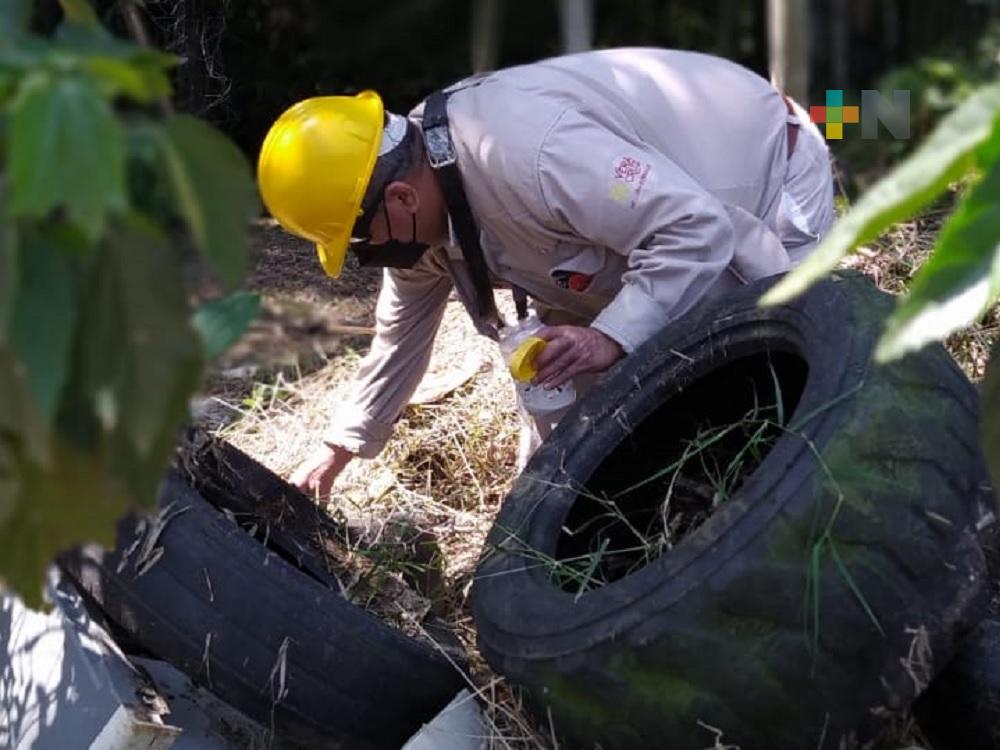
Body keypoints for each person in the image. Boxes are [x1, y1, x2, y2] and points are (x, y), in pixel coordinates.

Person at [256, 47, 835, 498]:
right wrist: (340, 448)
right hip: (650, 220)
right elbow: (398, 337)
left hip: (759, 173)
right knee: (581, 386)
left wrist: (611, 335)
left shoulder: (533, 154)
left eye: (359, 239)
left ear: (401, 198)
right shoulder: (424, 210)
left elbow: (694, 229)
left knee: (773, 376)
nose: (364, 254)